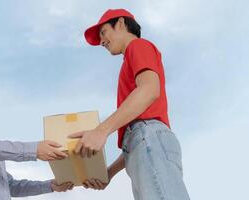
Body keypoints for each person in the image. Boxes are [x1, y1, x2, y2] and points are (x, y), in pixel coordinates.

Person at [69, 9, 190, 200]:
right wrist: (109, 173)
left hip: (149, 137)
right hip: (143, 142)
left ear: (121, 24)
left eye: (103, 32)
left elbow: (150, 90)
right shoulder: (130, 61)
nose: (101, 41)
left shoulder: (138, 46)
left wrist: (101, 131)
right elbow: (136, 138)